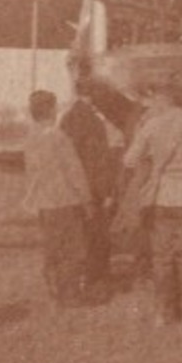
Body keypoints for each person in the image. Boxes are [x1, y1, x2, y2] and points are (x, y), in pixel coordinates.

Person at [120, 72, 182, 326]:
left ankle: (163, 313)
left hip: (160, 198)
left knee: (162, 258)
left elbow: (129, 160)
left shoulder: (152, 126)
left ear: (173, 99)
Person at [24, 90, 94, 307]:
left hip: (45, 204)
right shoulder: (59, 137)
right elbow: (75, 171)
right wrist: (87, 200)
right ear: (51, 110)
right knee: (73, 251)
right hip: (65, 201)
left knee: (53, 248)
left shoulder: (30, 138)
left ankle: (55, 289)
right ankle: (70, 295)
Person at [60, 76, 121, 295]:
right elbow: (99, 161)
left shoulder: (66, 119)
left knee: (78, 236)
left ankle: (78, 280)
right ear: (91, 95)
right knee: (97, 236)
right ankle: (97, 279)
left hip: (72, 189)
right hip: (92, 189)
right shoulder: (93, 122)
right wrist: (106, 192)